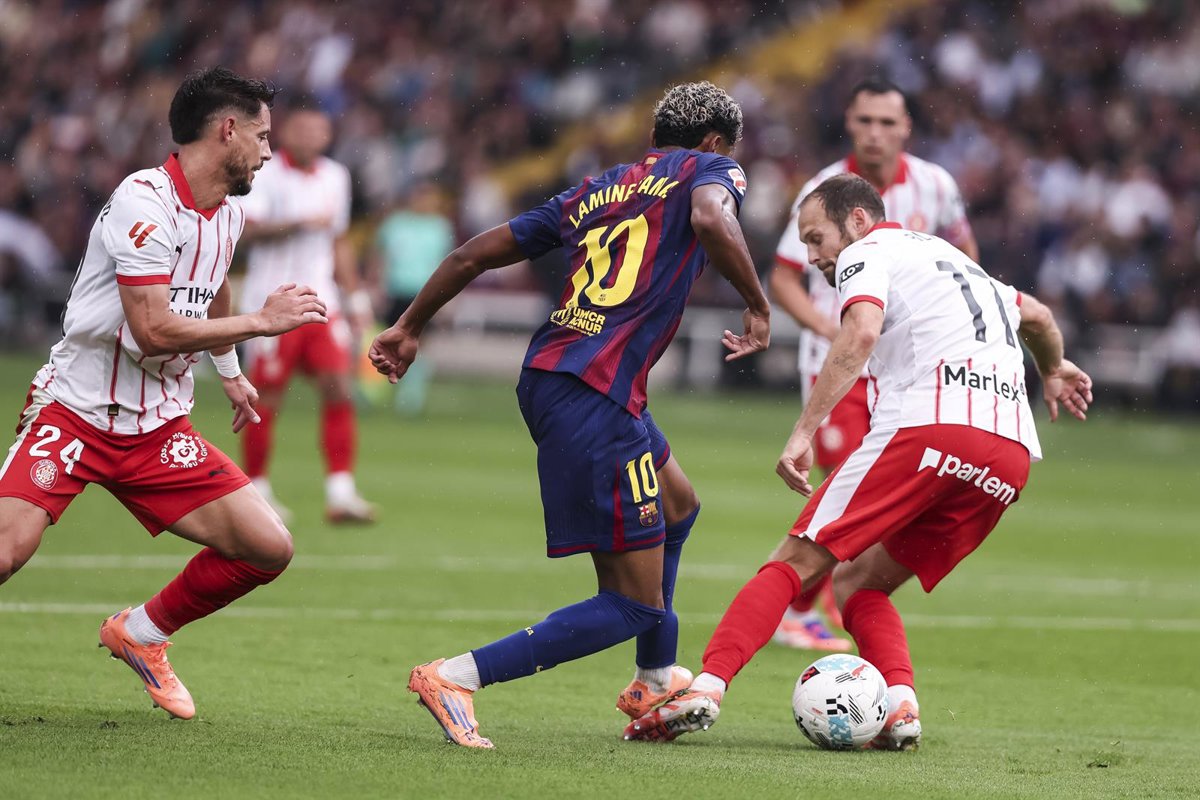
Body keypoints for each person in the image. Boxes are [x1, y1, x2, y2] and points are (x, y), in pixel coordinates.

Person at [624, 174, 1091, 749]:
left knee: (793, 560)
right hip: (1009, 456)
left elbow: (862, 332)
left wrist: (803, 432)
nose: (812, 255)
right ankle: (900, 707)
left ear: (859, 221)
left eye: (816, 237)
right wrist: (1053, 368)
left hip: (931, 426)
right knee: (858, 584)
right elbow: (1039, 316)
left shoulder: (866, 252)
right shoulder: (957, 262)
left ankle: (707, 687)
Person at [369, 81, 771, 748]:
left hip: (560, 374)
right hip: (594, 395)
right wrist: (756, 303)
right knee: (631, 603)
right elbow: (709, 217)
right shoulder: (711, 169)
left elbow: (472, 254)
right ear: (712, 143)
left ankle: (654, 678)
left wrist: (409, 325)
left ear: (654, 138)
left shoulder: (598, 188)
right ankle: (456, 676)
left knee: (678, 505)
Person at [0, 67, 328, 720]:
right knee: (6, 552)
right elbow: (151, 332)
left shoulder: (227, 213)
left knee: (268, 548)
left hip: (157, 428)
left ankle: (142, 634)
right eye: (262, 136)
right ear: (227, 130)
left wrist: (229, 369)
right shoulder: (143, 202)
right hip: (76, 413)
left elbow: (215, 285)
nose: (269, 151)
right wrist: (261, 323)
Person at [768, 77, 980, 651]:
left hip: (909, 369)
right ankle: (803, 608)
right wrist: (829, 331)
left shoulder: (936, 186)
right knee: (852, 483)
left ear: (906, 128)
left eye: (887, 122)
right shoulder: (822, 191)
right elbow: (784, 277)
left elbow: (966, 258)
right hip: (839, 364)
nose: (875, 133)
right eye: (865, 121)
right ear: (850, 123)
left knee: (881, 492)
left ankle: (820, 602)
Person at [238, 102, 375, 524]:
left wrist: (355, 299)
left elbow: (338, 240)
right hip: (272, 302)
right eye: (302, 129)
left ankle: (341, 493)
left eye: (318, 130)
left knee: (339, 388)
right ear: (285, 133)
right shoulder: (264, 172)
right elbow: (245, 231)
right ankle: (257, 491)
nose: (311, 137)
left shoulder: (335, 176)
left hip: (322, 301)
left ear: (327, 136)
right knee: (265, 397)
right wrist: (298, 223)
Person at [372, 181, 455, 416]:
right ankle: (376, 388)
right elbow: (379, 256)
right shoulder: (395, 224)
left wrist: (448, 299)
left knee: (422, 342)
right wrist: (376, 286)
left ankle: (411, 393)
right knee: (384, 339)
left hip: (424, 292)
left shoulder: (440, 227)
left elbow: (447, 264)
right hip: (396, 290)